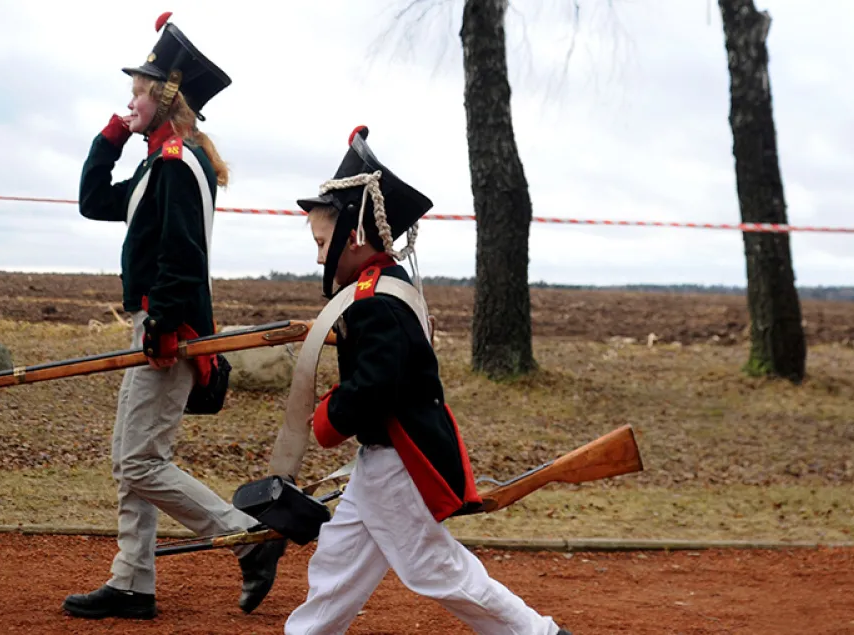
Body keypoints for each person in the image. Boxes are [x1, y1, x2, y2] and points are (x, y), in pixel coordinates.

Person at [284, 126, 573, 635]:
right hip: (385, 457)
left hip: (400, 458)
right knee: (337, 561)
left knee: (435, 571)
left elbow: (376, 385)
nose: (317, 255)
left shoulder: (376, 299)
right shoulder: (381, 287)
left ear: (354, 237)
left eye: (322, 242)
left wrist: (329, 418)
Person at [63, 11, 284, 620]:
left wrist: (161, 326)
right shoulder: (153, 163)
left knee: (138, 462)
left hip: (171, 331)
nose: (129, 98)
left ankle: (247, 534)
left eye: (137, 90)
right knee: (130, 460)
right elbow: (91, 202)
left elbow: (183, 259)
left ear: (165, 98)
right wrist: (112, 133)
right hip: (158, 325)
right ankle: (133, 583)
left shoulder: (177, 164)